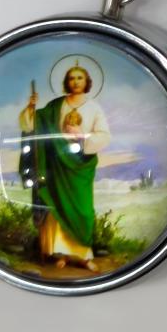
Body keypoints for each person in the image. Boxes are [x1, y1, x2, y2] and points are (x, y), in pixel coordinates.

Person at [18, 64, 111, 271]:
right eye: (71, 78)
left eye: (80, 78)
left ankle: (84, 256)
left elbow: (104, 136)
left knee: (83, 211)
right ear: (66, 82)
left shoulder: (94, 108)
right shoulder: (55, 105)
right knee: (57, 207)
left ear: (87, 82)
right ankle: (62, 254)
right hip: (56, 163)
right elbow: (33, 125)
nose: (75, 82)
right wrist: (31, 108)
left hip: (80, 165)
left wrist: (82, 137)